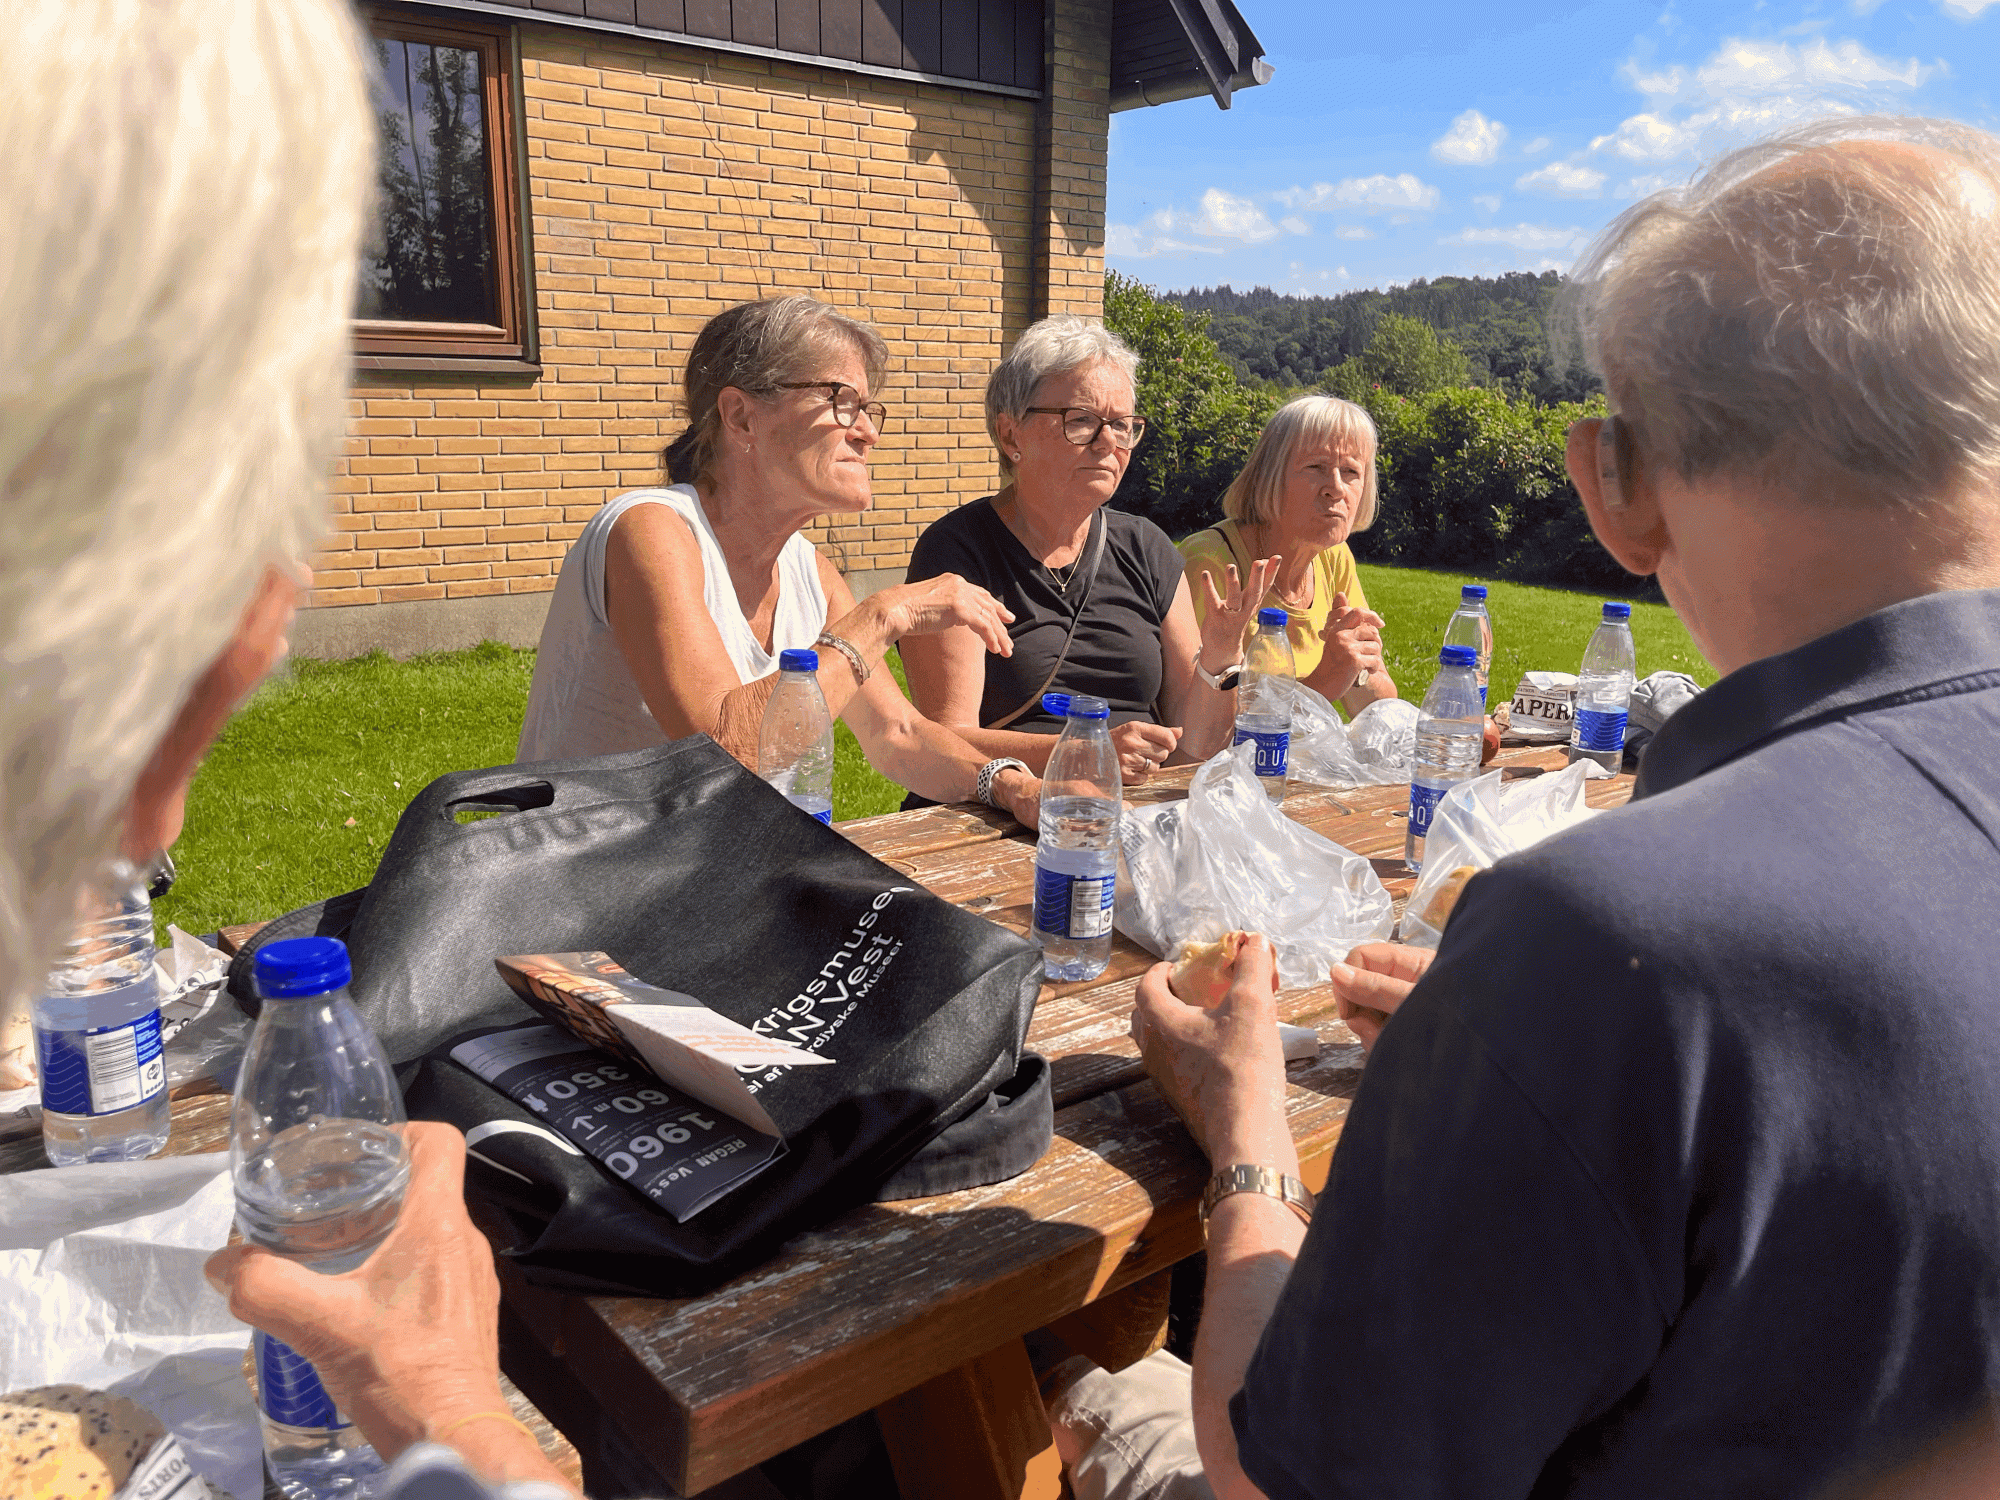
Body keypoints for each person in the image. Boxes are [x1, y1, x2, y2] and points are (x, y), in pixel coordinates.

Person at [1128, 116, 2000, 1498]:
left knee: (1095, 1391)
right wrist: (1529, 1047)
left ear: (1613, 486)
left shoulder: (1615, 933)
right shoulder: (1602, 973)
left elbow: (1276, 1478)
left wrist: (1243, 1135)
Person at [0, 2, 574, 1495]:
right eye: (835, 399)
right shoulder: (657, 531)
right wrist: (452, 1411)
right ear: (231, 652)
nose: (862, 423)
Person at [516, 295, 1041, 824]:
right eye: (841, 401)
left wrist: (1010, 785)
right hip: (583, 863)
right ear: (741, 417)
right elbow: (724, 754)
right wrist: (884, 615)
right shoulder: (651, 530)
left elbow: (897, 733)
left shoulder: (809, 572)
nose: (868, 432)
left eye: (868, 408)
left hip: (715, 860)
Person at [899, 317, 1278, 786]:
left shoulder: (1147, 548)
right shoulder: (957, 551)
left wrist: (1220, 658)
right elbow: (941, 743)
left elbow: (1193, 748)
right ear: (1011, 434)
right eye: (1081, 420)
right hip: (1002, 809)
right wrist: (1085, 752)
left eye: (1122, 425)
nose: (1109, 442)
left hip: (1133, 807)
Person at [1178, 396, 1399, 717]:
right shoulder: (1210, 564)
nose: (1336, 488)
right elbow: (1197, 723)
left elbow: (1379, 708)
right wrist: (1326, 680)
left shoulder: (1334, 557)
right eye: (1316, 467)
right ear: (1271, 475)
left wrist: (1357, 666)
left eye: (1351, 471)